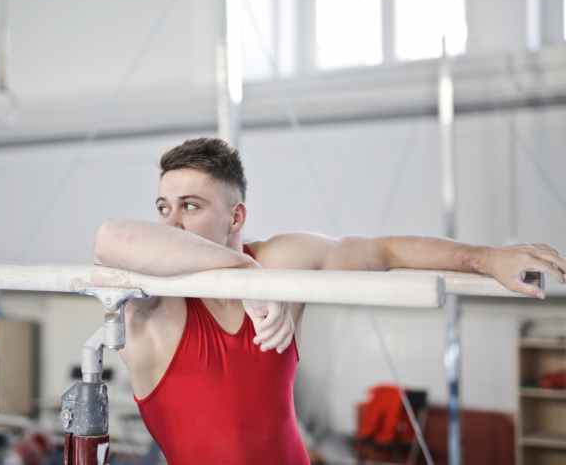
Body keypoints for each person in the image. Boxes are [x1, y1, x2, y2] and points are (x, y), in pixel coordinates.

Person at [94, 137, 565, 464]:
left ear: (236, 217)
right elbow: (110, 238)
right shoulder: (155, 304)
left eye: (190, 206)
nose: (171, 223)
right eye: (163, 207)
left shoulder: (281, 260)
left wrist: (486, 258)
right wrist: (248, 277)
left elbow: (384, 252)